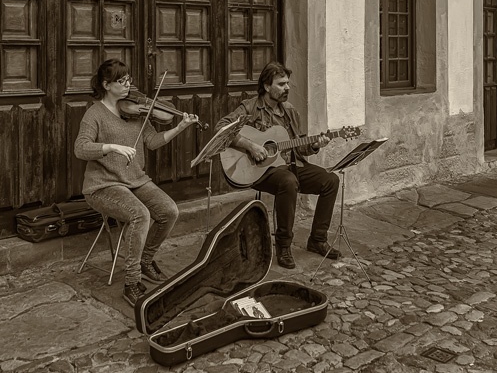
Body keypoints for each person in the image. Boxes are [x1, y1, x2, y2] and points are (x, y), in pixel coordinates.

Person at [74, 59, 200, 306]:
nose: (128, 84)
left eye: (128, 79)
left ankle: (145, 258)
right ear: (106, 85)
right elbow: (80, 148)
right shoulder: (94, 114)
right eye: (121, 81)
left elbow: (152, 141)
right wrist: (110, 147)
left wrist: (181, 127)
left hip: (135, 180)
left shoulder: (136, 112)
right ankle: (132, 282)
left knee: (169, 210)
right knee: (140, 214)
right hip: (103, 186)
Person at [215, 62, 340, 269]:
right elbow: (221, 129)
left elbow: (299, 148)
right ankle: (283, 245)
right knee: (288, 182)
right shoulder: (250, 107)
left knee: (331, 180)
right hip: (261, 170)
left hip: (290, 165)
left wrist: (315, 145)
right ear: (266, 86)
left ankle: (317, 239)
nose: (287, 88)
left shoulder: (290, 111)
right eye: (281, 84)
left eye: (288, 84)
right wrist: (251, 145)